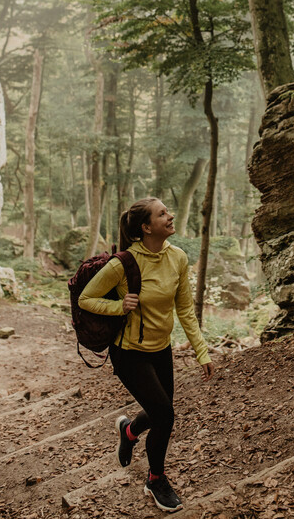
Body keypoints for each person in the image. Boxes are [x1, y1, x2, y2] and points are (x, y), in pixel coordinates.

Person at [78, 197, 214, 513]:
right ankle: (155, 479)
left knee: (157, 411)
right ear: (146, 226)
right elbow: (87, 298)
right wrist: (117, 306)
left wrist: (201, 351)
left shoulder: (178, 258)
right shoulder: (122, 264)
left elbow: (184, 309)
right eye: (162, 213)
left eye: (169, 210)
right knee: (165, 414)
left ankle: (128, 431)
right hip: (129, 353)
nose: (170, 215)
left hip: (160, 349)